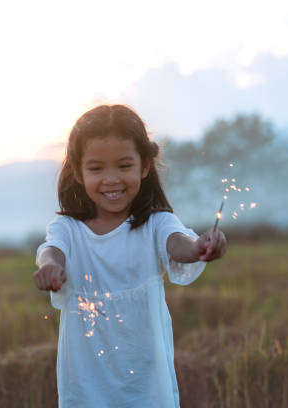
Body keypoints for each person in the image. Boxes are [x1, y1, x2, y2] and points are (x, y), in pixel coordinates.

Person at [33, 104, 226, 407]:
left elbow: (179, 245)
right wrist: (50, 268)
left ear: (145, 166)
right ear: (78, 172)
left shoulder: (156, 224)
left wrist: (199, 247)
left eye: (124, 166)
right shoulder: (68, 229)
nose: (111, 179)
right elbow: (51, 251)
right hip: (86, 387)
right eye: (96, 169)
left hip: (147, 388)